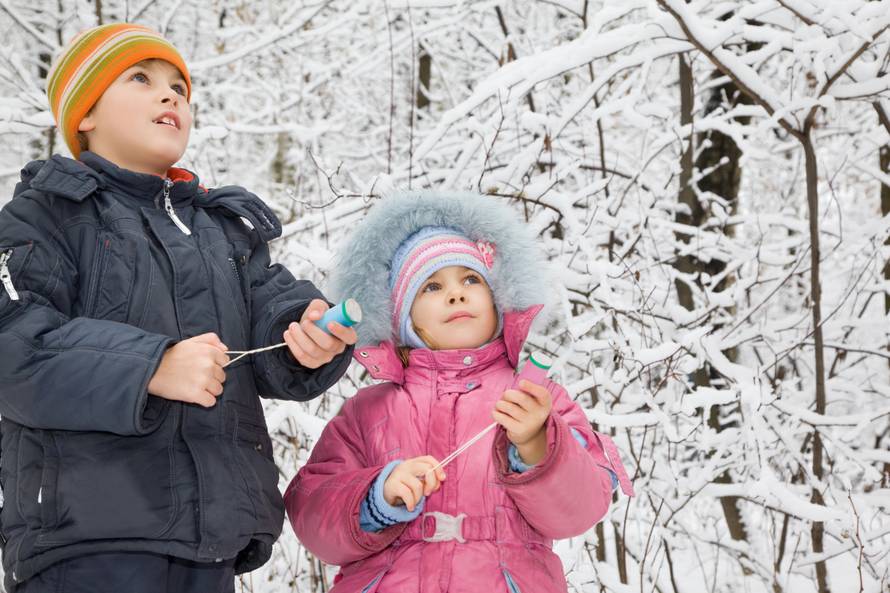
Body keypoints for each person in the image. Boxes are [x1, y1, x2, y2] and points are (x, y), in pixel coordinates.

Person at [0, 23, 355, 593]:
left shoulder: (221, 230)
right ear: (85, 115)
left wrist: (307, 336)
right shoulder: (45, 216)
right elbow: (14, 345)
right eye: (141, 79)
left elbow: (272, 313)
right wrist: (151, 366)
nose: (169, 96)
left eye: (180, 88)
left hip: (210, 546)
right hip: (86, 544)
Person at [285, 191, 634, 593]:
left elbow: (579, 511)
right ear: (401, 317)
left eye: (471, 279)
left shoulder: (538, 399)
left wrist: (537, 444)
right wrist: (376, 497)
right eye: (431, 286)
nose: (456, 294)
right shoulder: (367, 412)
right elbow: (312, 514)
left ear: (498, 299)